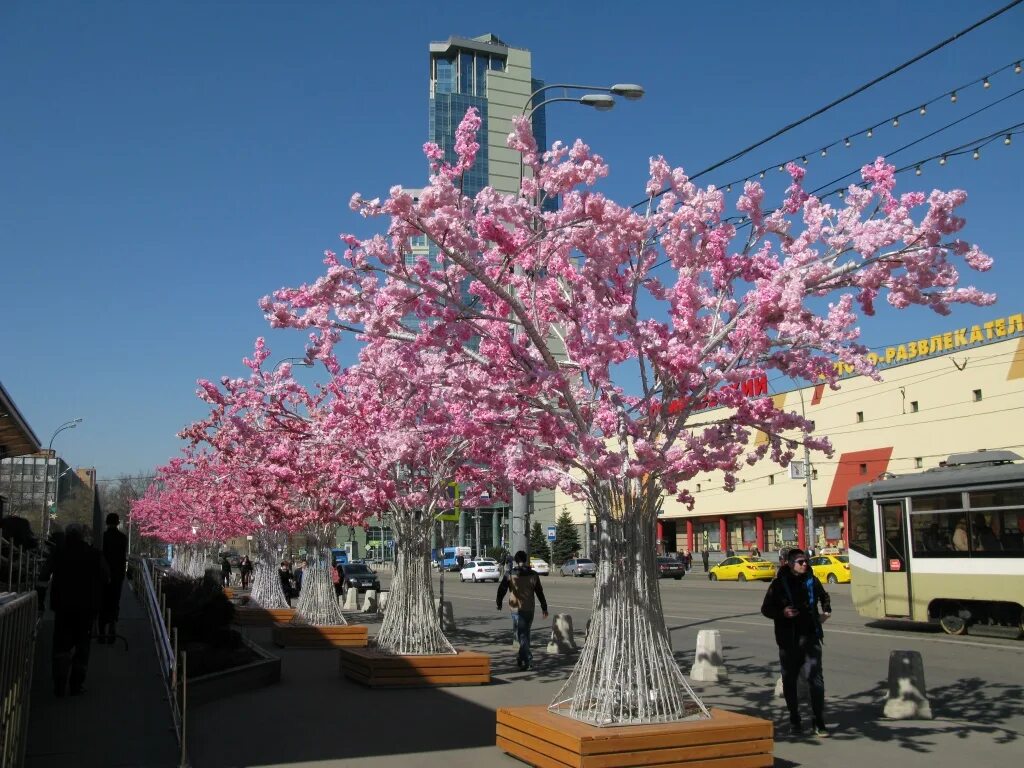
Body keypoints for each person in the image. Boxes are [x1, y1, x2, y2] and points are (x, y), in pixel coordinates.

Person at [761, 548, 832, 738]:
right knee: (789, 681)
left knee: (816, 680)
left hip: (811, 637)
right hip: (788, 641)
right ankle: (794, 718)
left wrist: (826, 611)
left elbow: (824, 596)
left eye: (806, 561)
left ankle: (818, 720)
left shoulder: (812, 580)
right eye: (800, 562)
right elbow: (766, 609)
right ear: (790, 563)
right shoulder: (778, 585)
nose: (805, 565)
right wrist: (782, 613)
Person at [50, 523, 107, 696]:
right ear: (83, 536)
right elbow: (106, 576)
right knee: (82, 647)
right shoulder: (94, 554)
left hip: (63, 606)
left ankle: (59, 683)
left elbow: (44, 574)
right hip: (86, 607)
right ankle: (76, 684)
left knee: (61, 646)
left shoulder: (59, 552)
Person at [496, 550, 548, 670]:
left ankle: (528, 659)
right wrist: (544, 607)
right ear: (525, 559)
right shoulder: (534, 574)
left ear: (516, 560)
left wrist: (499, 603)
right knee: (525, 634)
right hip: (530, 608)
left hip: (516, 609)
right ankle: (520, 657)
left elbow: (502, 589)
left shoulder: (510, 574)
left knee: (521, 635)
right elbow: (539, 592)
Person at [99, 513, 128, 644]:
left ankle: (101, 632)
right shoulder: (123, 538)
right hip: (118, 575)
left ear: (106, 522)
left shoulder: (102, 538)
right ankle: (112, 625)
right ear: (117, 523)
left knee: (103, 601)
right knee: (115, 601)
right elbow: (122, 558)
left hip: (103, 575)